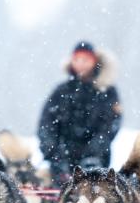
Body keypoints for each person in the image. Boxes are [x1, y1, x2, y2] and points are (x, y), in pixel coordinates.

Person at [38, 41, 122, 186]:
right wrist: (55, 154)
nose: (81, 63)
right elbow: (46, 124)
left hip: (96, 161)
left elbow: (110, 125)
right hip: (61, 162)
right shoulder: (61, 91)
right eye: (77, 59)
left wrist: (94, 153)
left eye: (86, 59)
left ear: (94, 61)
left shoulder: (107, 91)